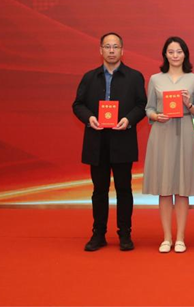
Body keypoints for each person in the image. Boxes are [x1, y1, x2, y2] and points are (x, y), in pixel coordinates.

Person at [72, 32, 147, 252]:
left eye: (115, 47)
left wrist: (128, 120)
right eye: (107, 47)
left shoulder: (134, 77)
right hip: (97, 142)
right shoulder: (89, 77)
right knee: (99, 190)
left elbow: (142, 105)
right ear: (100, 50)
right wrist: (89, 118)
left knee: (124, 189)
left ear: (122, 50)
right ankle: (98, 234)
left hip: (122, 139)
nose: (111, 51)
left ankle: (125, 234)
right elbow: (78, 104)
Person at [143, 36, 194, 254]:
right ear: (165, 55)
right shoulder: (155, 79)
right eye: (171, 52)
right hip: (161, 133)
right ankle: (166, 237)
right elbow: (148, 108)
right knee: (164, 188)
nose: (175, 55)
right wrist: (155, 116)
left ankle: (180, 237)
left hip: (185, 132)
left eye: (179, 51)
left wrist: (189, 104)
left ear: (185, 54)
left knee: (182, 188)